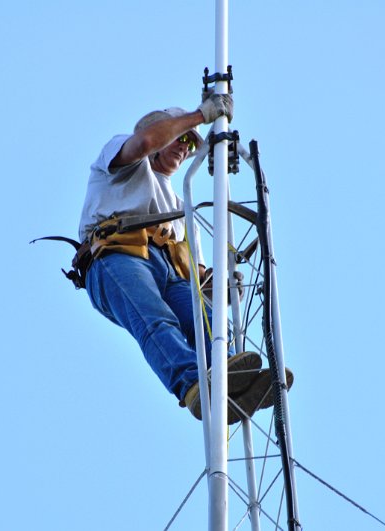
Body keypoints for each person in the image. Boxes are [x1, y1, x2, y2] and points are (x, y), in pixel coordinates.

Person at [78, 93, 291, 424]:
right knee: (156, 318)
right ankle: (191, 384)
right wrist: (199, 116)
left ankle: (232, 380)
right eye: (180, 138)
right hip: (117, 256)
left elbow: (199, 278)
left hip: (169, 272)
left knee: (206, 320)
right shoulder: (122, 156)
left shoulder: (182, 204)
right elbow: (146, 141)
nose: (185, 147)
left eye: (191, 145)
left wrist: (220, 286)